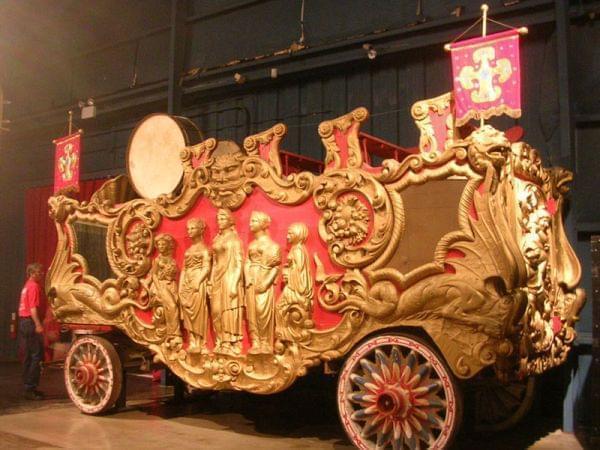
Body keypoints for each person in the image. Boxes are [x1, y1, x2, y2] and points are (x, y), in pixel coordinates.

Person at [245, 211, 280, 354]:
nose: (250, 224)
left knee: (262, 311)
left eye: (253, 221)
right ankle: (255, 341)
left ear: (262, 223)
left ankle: (265, 342)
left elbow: (275, 267)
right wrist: (247, 276)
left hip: (263, 278)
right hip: (251, 280)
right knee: (251, 312)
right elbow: (247, 261)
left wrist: (266, 282)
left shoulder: (272, 245)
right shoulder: (251, 245)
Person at [210, 209, 244, 355]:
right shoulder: (216, 240)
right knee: (216, 311)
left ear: (230, 220)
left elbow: (239, 262)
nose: (219, 220)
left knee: (228, 311)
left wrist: (235, 282)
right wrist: (211, 281)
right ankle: (220, 339)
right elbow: (215, 263)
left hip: (229, 276)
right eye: (218, 218)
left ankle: (229, 341)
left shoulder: (234, 240)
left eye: (223, 217)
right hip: (217, 277)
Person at [179, 218, 211, 354]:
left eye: (193, 228)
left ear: (200, 230)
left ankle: (200, 341)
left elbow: (206, 267)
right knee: (187, 311)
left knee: (198, 312)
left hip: (198, 281)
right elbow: (184, 269)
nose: (189, 231)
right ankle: (192, 341)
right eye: (188, 229)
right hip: (187, 281)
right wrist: (181, 285)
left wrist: (197, 281)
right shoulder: (188, 251)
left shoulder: (205, 249)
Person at [18, 262, 45, 400]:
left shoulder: (26, 287)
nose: (42, 274)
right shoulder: (33, 286)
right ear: (32, 273)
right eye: (39, 272)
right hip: (30, 322)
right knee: (36, 355)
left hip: (23, 322)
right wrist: (38, 324)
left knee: (29, 355)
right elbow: (33, 308)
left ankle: (27, 386)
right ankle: (30, 387)